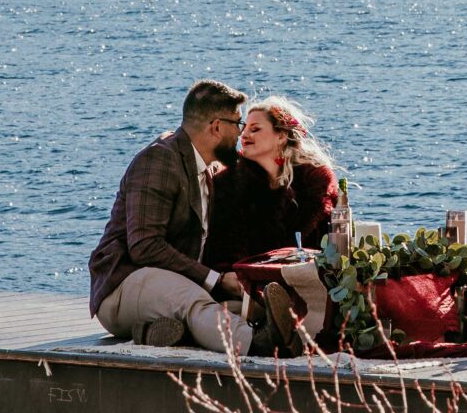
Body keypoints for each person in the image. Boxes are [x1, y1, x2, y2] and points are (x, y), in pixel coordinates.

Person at [87, 80, 259, 354]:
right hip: (122, 285)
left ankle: (152, 332)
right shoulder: (160, 160)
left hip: (168, 288)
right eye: (237, 125)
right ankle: (262, 346)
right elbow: (144, 246)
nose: (240, 134)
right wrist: (215, 278)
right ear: (216, 127)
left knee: (236, 308)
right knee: (191, 302)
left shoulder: (208, 168)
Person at [201, 95, 340, 271]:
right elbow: (225, 246)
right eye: (244, 128)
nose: (244, 135)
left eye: (255, 129)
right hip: (249, 279)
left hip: (309, 276)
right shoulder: (230, 183)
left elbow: (330, 244)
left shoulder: (315, 182)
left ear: (281, 136)